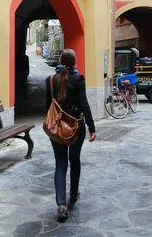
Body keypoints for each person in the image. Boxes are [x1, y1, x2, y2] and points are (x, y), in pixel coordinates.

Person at [45, 49, 96, 222]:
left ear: (60, 61)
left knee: (60, 163)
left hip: (57, 128)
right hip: (75, 127)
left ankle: (61, 204)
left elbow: (48, 107)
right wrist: (92, 127)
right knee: (74, 160)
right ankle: (73, 194)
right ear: (75, 62)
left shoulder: (51, 80)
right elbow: (84, 104)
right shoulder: (79, 79)